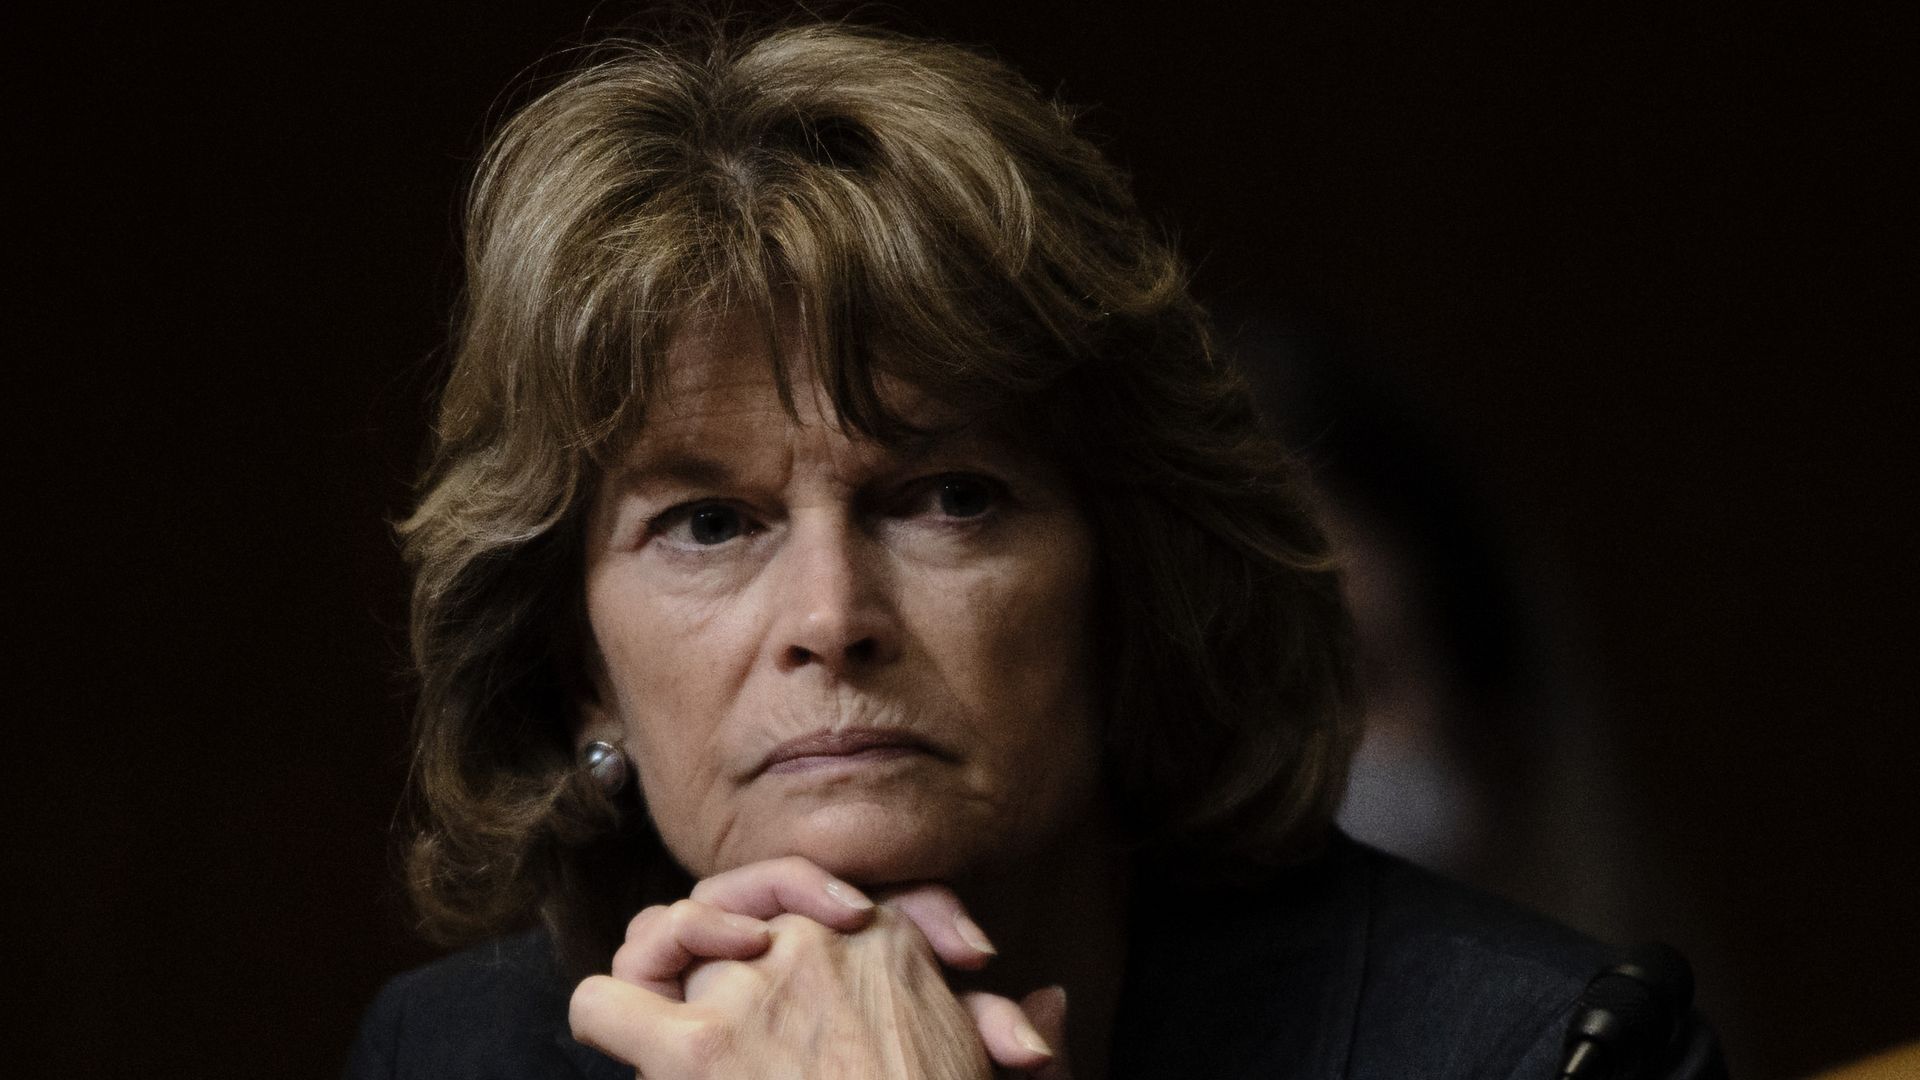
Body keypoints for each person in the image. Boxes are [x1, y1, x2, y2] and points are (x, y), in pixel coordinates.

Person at [346, 17, 1725, 1079]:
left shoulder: (1543, 1054)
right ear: (581, 668)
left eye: (946, 497)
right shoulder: (456, 1059)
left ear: (1122, 577)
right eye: (708, 525)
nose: (832, 616)